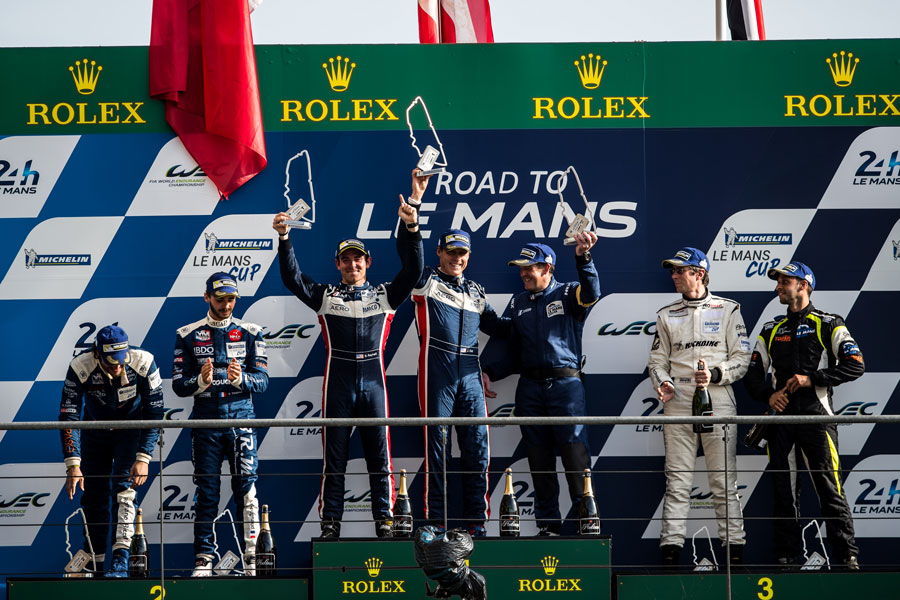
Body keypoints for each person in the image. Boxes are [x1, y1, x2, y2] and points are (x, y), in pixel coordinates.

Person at [273, 170, 424, 539]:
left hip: (374, 383)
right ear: (337, 264)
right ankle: (330, 524)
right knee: (335, 458)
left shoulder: (385, 295)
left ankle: (384, 521)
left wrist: (413, 227)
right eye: (346, 260)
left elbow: (414, 270)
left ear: (367, 262)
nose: (352, 265)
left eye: (358, 259)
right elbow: (293, 278)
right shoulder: (325, 296)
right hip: (337, 382)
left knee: (380, 457)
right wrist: (284, 238)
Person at [743, 261, 864, 570]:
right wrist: (769, 395)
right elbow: (752, 376)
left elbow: (855, 365)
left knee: (829, 489)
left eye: (784, 281)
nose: (778, 287)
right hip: (781, 422)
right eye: (778, 282)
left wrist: (813, 379)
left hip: (817, 419)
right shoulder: (771, 329)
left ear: (804, 285)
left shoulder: (829, 323)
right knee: (784, 492)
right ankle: (787, 558)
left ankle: (847, 558)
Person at [481, 233, 599, 536]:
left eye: (528, 267)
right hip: (530, 388)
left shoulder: (568, 292)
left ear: (547, 268)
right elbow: (515, 353)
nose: (522, 273)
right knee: (539, 459)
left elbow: (592, 292)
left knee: (575, 456)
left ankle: (586, 522)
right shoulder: (518, 302)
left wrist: (583, 258)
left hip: (566, 386)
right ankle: (548, 525)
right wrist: (489, 372)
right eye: (520, 268)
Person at [647, 247, 750, 566]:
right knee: (677, 481)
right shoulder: (666, 314)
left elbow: (742, 358)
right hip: (678, 400)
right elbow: (656, 361)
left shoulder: (728, 309)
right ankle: (670, 554)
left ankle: (734, 553)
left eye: (680, 270)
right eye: (673, 271)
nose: (674, 276)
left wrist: (716, 374)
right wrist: (664, 382)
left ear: (700, 274)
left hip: (717, 398)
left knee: (723, 481)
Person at [411, 228, 511, 536]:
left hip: (470, 373)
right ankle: (437, 522)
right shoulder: (425, 280)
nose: (457, 258)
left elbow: (500, 327)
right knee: (438, 450)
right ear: (439, 252)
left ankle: (476, 522)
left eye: (462, 253)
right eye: (451, 252)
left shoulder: (476, 291)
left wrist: (536, 317)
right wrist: (412, 226)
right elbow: (410, 256)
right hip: (436, 369)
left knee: (477, 448)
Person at [173, 272, 269, 576]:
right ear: (207, 298)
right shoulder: (187, 334)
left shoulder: (251, 332)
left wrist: (242, 380)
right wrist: (200, 382)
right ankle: (204, 558)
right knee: (207, 492)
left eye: (231, 299)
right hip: (205, 423)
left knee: (247, 490)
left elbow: (263, 381)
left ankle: (252, 557)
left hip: (242, 420)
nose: (226, 305)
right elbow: (178, 385)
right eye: (220, 299)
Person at [60, 325, 164, 577]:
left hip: (131, 430)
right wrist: (73, 465)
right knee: (93, 496)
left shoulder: (144, 361)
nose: (117, 366)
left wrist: (144, 457)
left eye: (121, 359)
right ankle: (94, 561)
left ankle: (121, 561)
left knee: (124, 492)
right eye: (111, 361)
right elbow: (69, 415)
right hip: (95, 430)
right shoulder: (81, 365)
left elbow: (155, 414)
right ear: (97, 353)